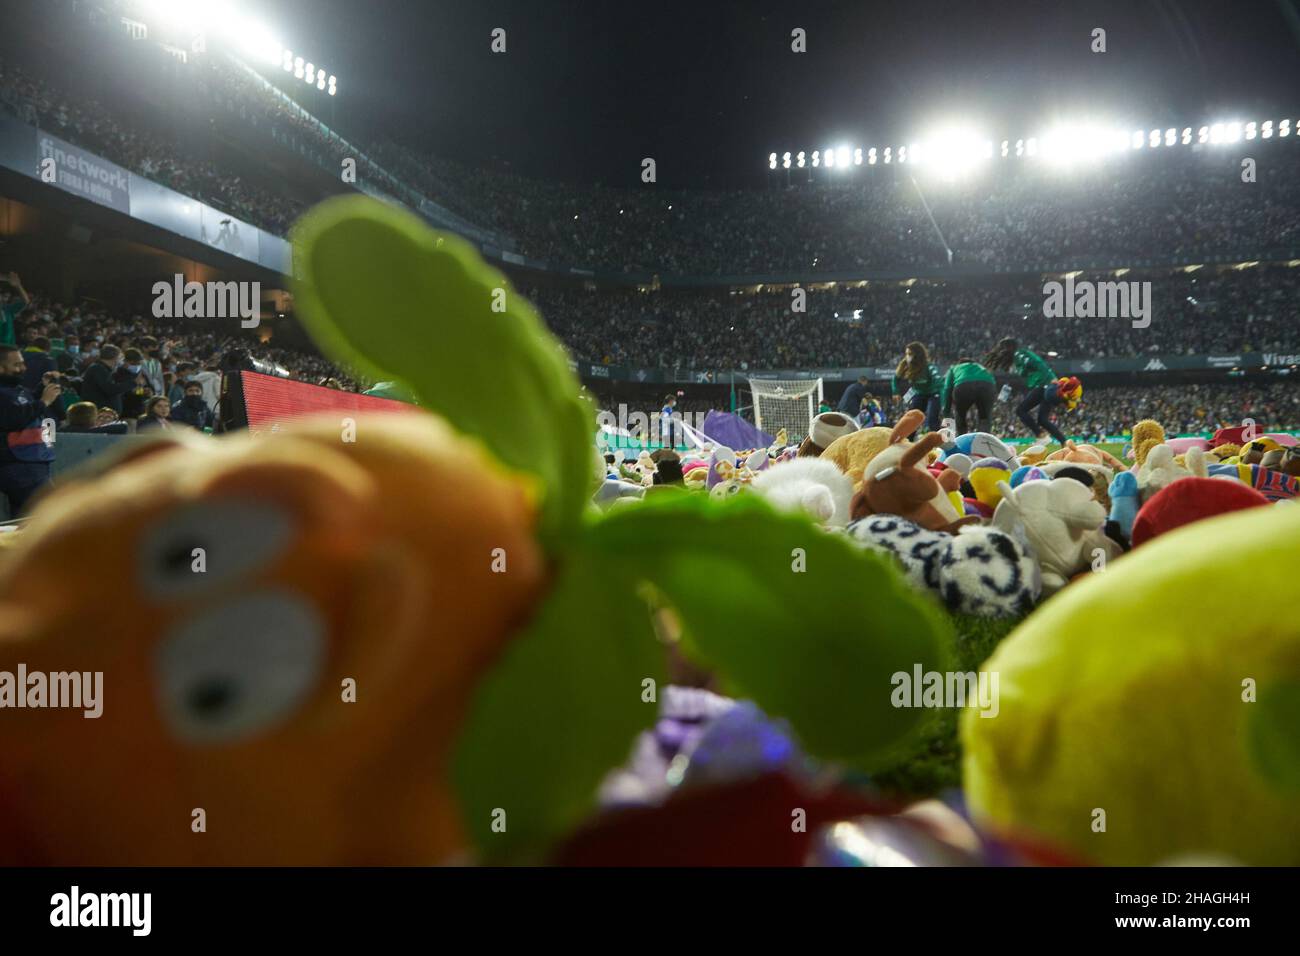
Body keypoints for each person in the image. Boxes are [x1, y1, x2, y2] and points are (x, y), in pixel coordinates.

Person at [0, 345, 60, 516]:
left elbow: (22, 405)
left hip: (32, 461)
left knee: (25, 520)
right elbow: (13, 419)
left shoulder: (15, 390)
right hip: (19, 464)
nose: (23, 369)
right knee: (47, 517)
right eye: (17, 365)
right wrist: (43, 402)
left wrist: (42, 387)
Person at [985, 337, 1073, 445]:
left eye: (1003, 348)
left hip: (1044, 384)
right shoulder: (1019, 356)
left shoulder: (1019, 355)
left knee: (1021, 410)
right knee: (1042, 420)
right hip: (1046, 384)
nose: (1002, 352)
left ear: (1009, 348)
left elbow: (1036, 363)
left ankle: (1041, 435)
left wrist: (1051, 379)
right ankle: (1064, 442)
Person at [891, 342, 942, 433]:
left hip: (933, 394)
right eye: (906, 354)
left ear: (917, 355)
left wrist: (942, 395)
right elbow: (895, 379)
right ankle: (908, 443)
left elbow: (938, 381)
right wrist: (896, 392)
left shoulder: (929, 367)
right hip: (918, 394)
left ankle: (937, 442)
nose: (907, 356)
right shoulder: (905, 365)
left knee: (931, 419)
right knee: (912, 420)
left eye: (910, 354)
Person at [940, 355, 998, 435]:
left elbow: (947, 388)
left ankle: (961, 439)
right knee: (985, 418)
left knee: (960, 415)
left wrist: (946, 410)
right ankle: (983, 441)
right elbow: (993, 383)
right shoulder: (981, 367)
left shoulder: (954, 368)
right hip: (987, 386)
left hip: (963, 385)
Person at [79, 344, 134, 414]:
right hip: (100, 415)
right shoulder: (97, 369)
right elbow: (110, 389)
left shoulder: (107, 370)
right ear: (114, 357)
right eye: (120, 357)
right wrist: (134, 383)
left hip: (107, 415)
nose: (121, 361)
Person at [0, 273, 30, 347]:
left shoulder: (8, 309)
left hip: (8, 349)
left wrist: (18, 286)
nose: (4, 299)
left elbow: (25, 301)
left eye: (6, 297)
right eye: (3, 296)